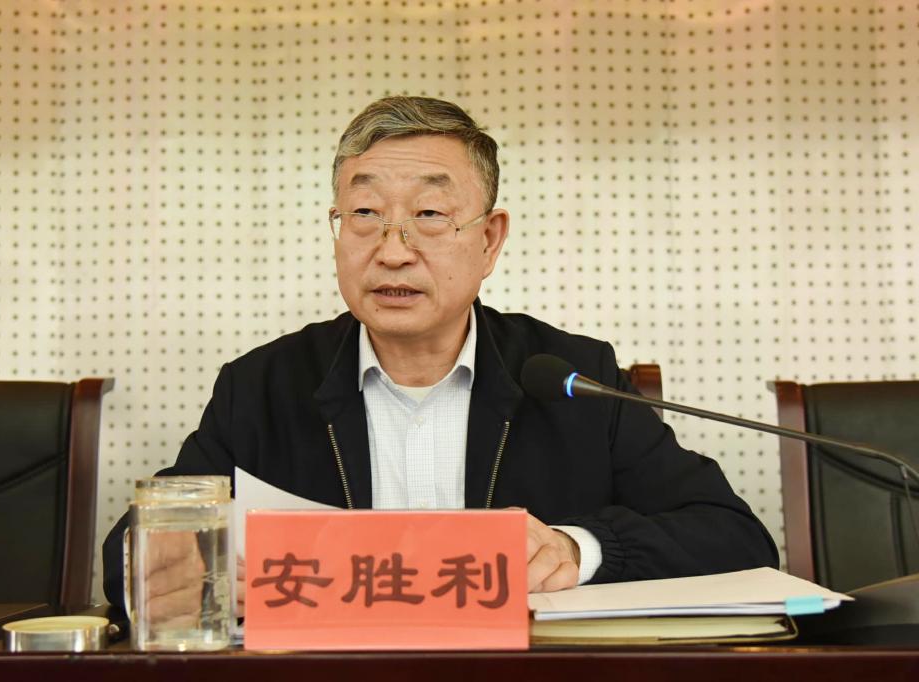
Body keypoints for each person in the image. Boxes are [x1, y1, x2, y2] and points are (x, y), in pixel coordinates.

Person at [102, 96, 778, 616]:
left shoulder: (571, 377)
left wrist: (578, 550)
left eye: (429, 216)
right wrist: (187, 570)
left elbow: (733, 535)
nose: (393, 251)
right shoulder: (263, 385)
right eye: (365, 214)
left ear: (489, 240)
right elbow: (132, 554)